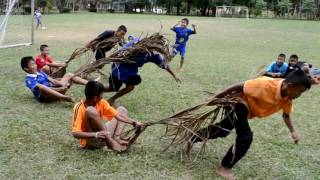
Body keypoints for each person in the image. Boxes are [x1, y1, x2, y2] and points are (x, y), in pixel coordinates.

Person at [187, 69, 311, 180]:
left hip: (246, 110)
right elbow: (239, 85)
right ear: (289, 85)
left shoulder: (287, 97)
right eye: (299, 91)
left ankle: (191, 137)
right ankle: (224, 167)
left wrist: (293, 131)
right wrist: (216, 97)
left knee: (223, 130)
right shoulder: (266, 84)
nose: (299, 95)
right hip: (237, 103)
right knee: (245, 137)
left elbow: (286, 115)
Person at [71, 81, 144, 151]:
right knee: (90, 110)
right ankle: (109, 142)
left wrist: (134, 122)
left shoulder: (101, 102)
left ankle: (116, 139)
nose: (102, 97)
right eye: (101, 95)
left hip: (103, 133)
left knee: (122, 110)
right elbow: (75, 133)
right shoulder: (79, 107)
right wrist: (96, 134)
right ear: (95, 98)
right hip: (92, 139)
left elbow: (118, 115)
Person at [104, 49, 181, 105]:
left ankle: (111, 99)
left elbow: (165, 65)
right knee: (113, 88)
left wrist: (174, 75)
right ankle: (95, 89)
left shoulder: (154, 55)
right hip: (120, 67)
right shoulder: (139, 44)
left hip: (131, 71)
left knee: (130, 86)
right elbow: (124, 48)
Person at [21, 56, 87, 102]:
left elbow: (53, 81)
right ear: (26, 69)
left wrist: (62, 83)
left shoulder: (40, 72)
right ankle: (64, 98)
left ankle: (90, 83)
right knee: (42, 87)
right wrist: (59, 89)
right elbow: (42, 89)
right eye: (32, 65)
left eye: (34, 64)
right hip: (45, 96)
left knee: (68, 75)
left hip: (55, 92)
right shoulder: (29, 79)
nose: (35, 66)